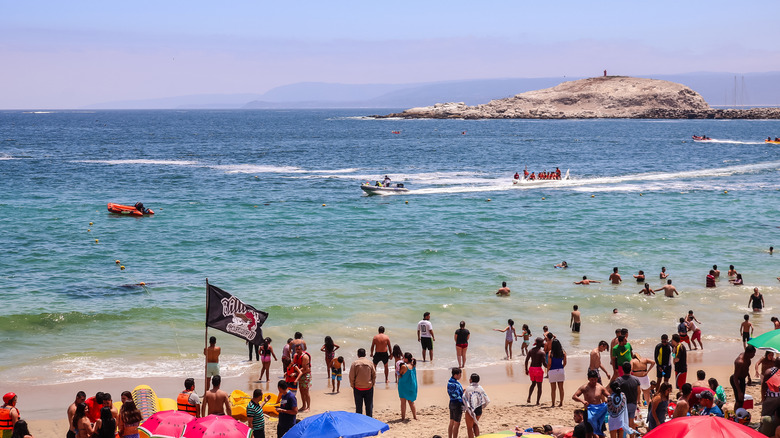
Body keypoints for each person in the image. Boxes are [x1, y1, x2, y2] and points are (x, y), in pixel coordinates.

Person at [571, 370, 608, 438]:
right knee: (589, 432)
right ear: (588, 379)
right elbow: (574, 396)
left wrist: (607, 401)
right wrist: (582, 401)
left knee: (600, 432)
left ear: (597, 378)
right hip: (588, 411)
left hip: (599, 412)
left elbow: (609, 396)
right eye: (592, 379)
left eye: (595, 379)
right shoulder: (584, 387)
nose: (593, 381)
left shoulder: (600, 387)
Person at [349, 348, 376, 417]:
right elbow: (374, 375)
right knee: (369, 406)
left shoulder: (354, 363)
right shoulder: (370, 363)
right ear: (365, 354)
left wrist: (353, 385)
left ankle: (359, 422)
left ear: (358, 355)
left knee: (358, 407)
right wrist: (372, 384)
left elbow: (351, 376)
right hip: (368, 387)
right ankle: (369, 421)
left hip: (358, 388)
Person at [616, 363, 641, 436]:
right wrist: (638, 401)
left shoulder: (619, 380)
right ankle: (632, 436)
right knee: (631, 421)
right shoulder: (636, 379)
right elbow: (638, 391)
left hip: (623, 404)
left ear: (623, 370)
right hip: (633, 403)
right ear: (631, 369)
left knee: (623, 422)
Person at [463, 373, 489, 438]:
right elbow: (486, 399)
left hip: (471, 410)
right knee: (475, 425)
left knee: (469, 428)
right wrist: (482, 406)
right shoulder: (481, 388)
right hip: (479, 409)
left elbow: (464, 398)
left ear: (471, 380)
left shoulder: (468, 388)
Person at [731, 345, 756, 409]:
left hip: (742, 379)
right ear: (748, 353)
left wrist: (749, 377)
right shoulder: (740, 362)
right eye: (753, 354)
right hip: (736, 380)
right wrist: (739, 392)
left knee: (742, 400)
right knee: (739, 400)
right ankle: (736, 415)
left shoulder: (747, 358)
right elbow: (735, 377)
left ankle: (739, 412)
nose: (754, 355)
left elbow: (746, 368)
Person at [547, 339, 568, 407]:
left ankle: (553, 403)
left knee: (553, 389)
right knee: (561, 388)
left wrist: (548, 371)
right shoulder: (563, 352)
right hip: (560, 370)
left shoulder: (550, 353)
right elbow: (565, 362)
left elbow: (549, 364)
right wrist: (561, 367)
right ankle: (561, 403)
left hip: (552, 371)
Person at [525, 338, 546, 405]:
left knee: (533, 384)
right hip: (538, 370)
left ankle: (529, 397)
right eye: (543, 342)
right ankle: (537, 402)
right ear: (540, 343)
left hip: (531, 369)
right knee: (539, 386)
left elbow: (526, 361)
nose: (544, 343)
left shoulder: (531, 350)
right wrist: (550, 366)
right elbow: (544, 364)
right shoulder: (542, 352)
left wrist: (526, 369)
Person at [398, 352, 418, 421]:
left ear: (406, 359)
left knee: (403, 402)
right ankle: (415, 416)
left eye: (403, 357)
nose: (402, 359)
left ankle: (403, 418)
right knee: (411, 402)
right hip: (411, 385)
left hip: (403, 385)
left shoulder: (404, 366)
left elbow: (400, 373)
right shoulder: (413, 365)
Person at [292, 343, 312, 412]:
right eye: (296, 349)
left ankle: (308, 407)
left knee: (306, 391)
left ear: (302, 349)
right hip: (300, 374)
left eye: (299, 349)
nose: (297, 351)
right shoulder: (295, 356)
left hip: (306, 374)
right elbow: (293, 365)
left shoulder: (305, 357)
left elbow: (304, 368)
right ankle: (304, 406)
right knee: (301, 391)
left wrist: (296, 373)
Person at [447, 368, 464, 438]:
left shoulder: (449, 382)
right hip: (457, 404)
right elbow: (457, 396)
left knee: (451, 422)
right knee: (457, 424)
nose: (460, 376)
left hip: (451, 403)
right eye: (460, 375)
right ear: (455, 375)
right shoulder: (455, 384)